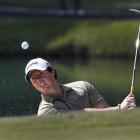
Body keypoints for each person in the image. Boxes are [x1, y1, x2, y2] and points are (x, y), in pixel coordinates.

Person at [25, 58, 136, 116]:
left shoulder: (82, 86)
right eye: (34, 79)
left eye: (41, 75)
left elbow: (107, 113)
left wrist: (125, 112)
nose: (39, 81)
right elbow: (80, 115)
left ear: (52, 72)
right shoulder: (45, 111)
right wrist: (120, 108)